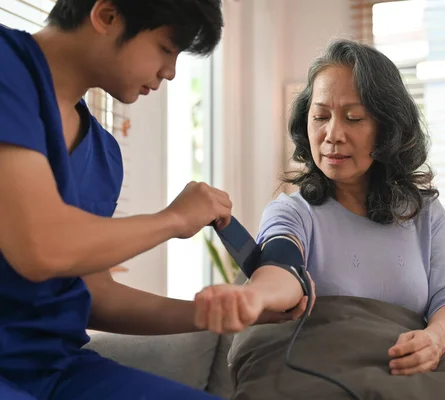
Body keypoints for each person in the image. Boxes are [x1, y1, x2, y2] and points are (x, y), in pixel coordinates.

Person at [0, 1, 309, 399]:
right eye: (166, 48)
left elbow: (95, 293)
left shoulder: (104, 154)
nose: (171, 72)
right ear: (107, 16)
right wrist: (174, 219)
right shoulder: (7, 65)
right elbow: (41, 248)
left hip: (56, 369)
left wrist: (213, 316)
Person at [254, 38, 445, 377]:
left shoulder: (425, 213)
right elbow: (280, 266)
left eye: (354, 118)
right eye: (320, 117)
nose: (332, 134)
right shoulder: (292, 212)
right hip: (326, 377)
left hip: (410, 377)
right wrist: (256, 295)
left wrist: (434, 339)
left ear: (387, 129)